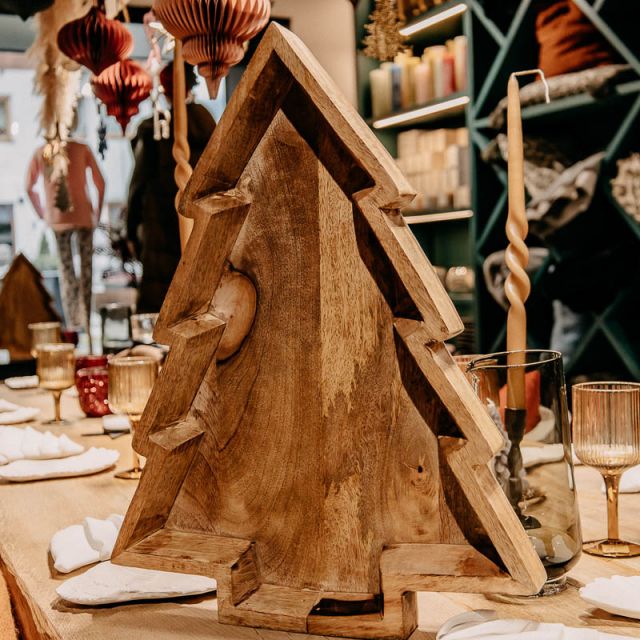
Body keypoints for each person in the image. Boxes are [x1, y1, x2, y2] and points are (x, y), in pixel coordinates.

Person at [125, 62, 216, 313]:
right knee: (199, 301)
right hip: (201, 223)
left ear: (165, 89)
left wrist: (131, 231)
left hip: (160, 225)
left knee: (162, 304)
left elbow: (138, 184)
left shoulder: (154, 128)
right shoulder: (209, 125)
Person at [25, 131, 104, 347]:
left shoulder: (42, 152)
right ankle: (86, 326)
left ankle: (74, 328)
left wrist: (43, 214)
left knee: (67, 272)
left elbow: (28, 187)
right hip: (84, 216)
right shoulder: (81, 148)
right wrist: (96, 213)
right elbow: (100, 183)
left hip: (58, 218)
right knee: (86, 272)